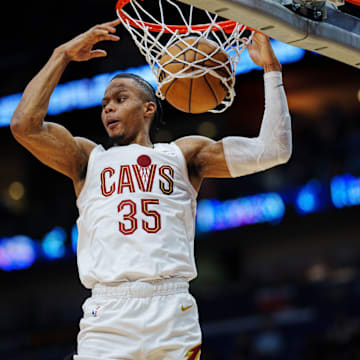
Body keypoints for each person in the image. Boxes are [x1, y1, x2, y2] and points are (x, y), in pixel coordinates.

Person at [10, 18, 292, 360]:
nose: (108, 107)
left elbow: (274, 149)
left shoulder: (185, 155)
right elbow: (24, 124)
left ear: (148, 108)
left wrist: (271, 70)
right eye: (104, 103)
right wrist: (62, 55)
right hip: (108, 313)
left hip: (171, 308)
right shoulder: (86, 159)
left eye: (119, 98)